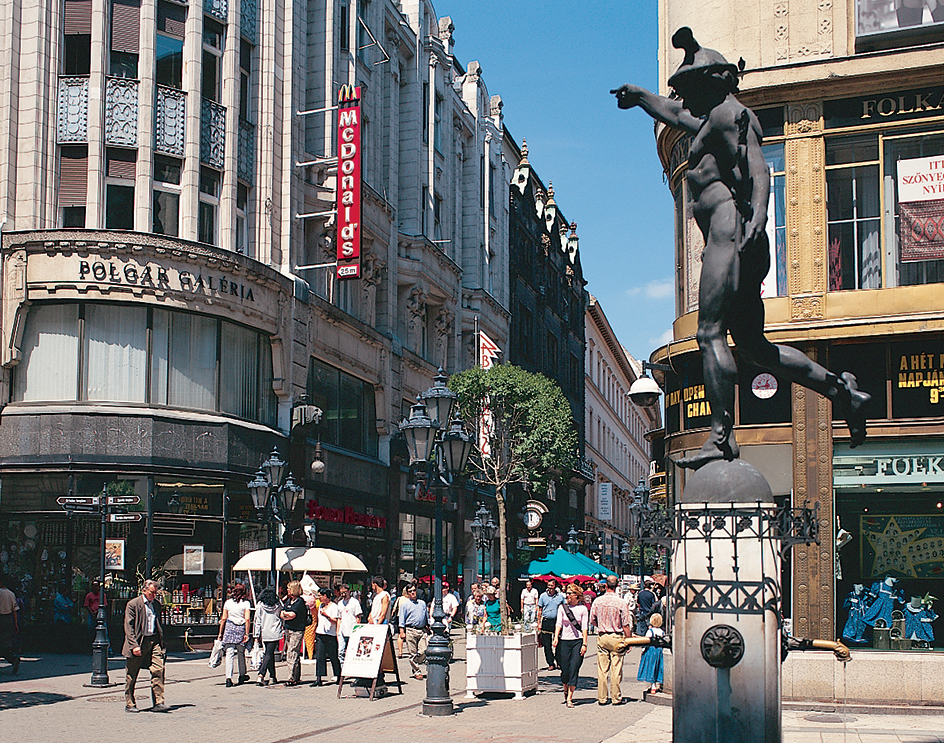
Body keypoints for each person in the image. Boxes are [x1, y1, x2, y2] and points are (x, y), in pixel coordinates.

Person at [611, 27, 870, 470]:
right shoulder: (715, 118)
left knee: (709, 333)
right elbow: (674, 114)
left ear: (711, 82)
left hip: (730, 230)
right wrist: (640, 97)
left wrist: (759, 216)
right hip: (736, 233)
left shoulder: (732, 114)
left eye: (691, 88)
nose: (685, 98)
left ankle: (721, 437)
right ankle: (841, 390)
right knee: (753, 348)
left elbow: (759, 170)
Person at [122, 579, 169, 712]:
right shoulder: (133, 604)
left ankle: (158, 702)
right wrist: (134, 645)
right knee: (132, 674)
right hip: (138, 642)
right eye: (151, 593)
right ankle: (130, 703)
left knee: (158, 670)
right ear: (144, 590)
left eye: (155, 593)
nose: (153, 595)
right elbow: (128, 627)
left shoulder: (157, 605)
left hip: (154, 641)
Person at [589, 575, 634, 706]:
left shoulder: (597, 601)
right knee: (616, 668)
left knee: (602, 669)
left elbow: (592, 620)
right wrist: (629, 640)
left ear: (606, 586)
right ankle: (616, 697)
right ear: (617, 586)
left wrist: (602, 624)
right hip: (617, 637)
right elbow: (626, 624)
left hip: (603, 636)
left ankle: (602, 698)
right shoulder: (621, 603)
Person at [552, 584, 589, 708]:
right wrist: (556, 637)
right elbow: (559, 623)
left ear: (576, 595)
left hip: (577, 641)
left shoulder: (583, 609)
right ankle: (565, 688)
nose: (567, 596)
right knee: (565, 669)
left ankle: (570, 698)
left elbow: (584, 627)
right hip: (564, 641)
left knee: (574, 668)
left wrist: (585, 643)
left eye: (570, 593)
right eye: (566, 593)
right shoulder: (562, 608)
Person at [218, 582, 251, 687]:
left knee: (229, 653)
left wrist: (220, 633)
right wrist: (247, 633)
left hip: (229, 627)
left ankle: (228, 677)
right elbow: (247, 619)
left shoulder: (228, 603)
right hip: (240, 628)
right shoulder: (246, 604)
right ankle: (242, 674)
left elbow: (223, 618)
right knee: (241, 652)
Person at [280, 580, 309, 686]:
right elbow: (281, 613)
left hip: (297, 630)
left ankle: (291, 677)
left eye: (289, 588)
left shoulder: (300, 602)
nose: (287, 590)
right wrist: (285, 614)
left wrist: (286, 614)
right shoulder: (289, 600)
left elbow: (293, 614)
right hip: (288, 629)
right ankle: (296, 676)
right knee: (292, 652)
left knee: (292, 652)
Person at [397, 584, 428, 679]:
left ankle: (416, 661)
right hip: (410, 630)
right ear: (408, 593)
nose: (413, 592)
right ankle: (416, 671)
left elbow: (426, 615)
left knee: (424, 650)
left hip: (421, 630)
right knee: (412, 652)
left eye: (414, 590)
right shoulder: (405, 605)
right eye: (410, 591)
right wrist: (402, 631)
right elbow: (401, 619)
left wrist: (429, 626)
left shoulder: (422, 603)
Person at [253, 587, 283, 686]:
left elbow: (257, 621)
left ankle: (265, 675)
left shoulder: (260, 605)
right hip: (275, 630)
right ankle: (268, 675)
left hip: (264, 631)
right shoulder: (278, 604)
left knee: (268, 653)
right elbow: (281, 616)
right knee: (269, 654)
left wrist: (256, 635)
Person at [536, 578, 565, 670]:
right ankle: (550, 663)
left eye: (551, 586)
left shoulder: (560, 596)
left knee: (559, 643)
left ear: (555, 586)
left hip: (557, 621)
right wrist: (538, 623)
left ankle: (559, 661)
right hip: (546, 621)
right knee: (547, 644)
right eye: (548, 586)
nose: (550, 588)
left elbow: (565, 608)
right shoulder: (543, 596)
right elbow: (539, 610)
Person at [314, 587, 341, 685]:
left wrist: (327, 616)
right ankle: (319, 678)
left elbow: (336, 620)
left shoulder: (334, 606)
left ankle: (338, 675)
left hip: (330, 634)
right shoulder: (320, 606)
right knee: (320, 656)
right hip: (320, 633)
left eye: (320, 596)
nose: (319, 598)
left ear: (326, 596)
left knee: (333, 656)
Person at [637, 613, 665, 694]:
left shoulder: (650, 631)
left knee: (651, 668)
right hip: (659, 651)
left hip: (651, 651)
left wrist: (643, 651)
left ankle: (653, 686)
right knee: (658, 667)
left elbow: (646, 642)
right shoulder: (662, 632)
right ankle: (658, 684)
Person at [336, 583, 362, 663]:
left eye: (345, 592)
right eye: (341, 593)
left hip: (351, 630)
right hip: (342, 631)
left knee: (351, 651)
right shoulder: (340, 603)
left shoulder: (354, 602)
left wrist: (357, 630)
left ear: (349, 592)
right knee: (341, 652)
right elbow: (339, 618)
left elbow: (358, 617)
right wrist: (337, 631)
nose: (343, 594)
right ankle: (342, 670)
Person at [0, 575, 20, 674]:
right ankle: (12, 658)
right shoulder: (11, 594)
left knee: (2, 644)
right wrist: (15, 623)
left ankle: (12, 659)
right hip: (8, 619)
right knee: (5, 641)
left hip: (1, 618)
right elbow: (15, 610)